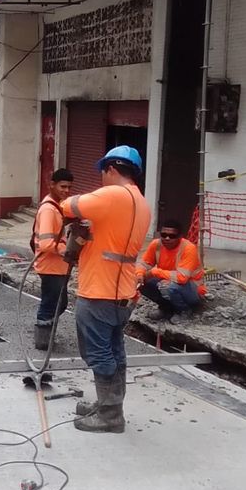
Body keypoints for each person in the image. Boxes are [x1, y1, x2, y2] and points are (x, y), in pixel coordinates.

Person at [61, 146, 151, 434]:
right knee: (114, 351)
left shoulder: (112, 195)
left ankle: (110, 415)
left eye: (103, 171)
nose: (101, 177)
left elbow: (68, 206)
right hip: (122, 292)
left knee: (99, 353)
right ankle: (109, 405)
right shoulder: (141, 201)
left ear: (111, 169)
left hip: (99, 291)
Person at [31, 168, 74, 350]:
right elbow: (46, 243)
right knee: (51, 303)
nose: (66, 191)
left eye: (69, 187)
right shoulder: (49, 209)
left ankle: (47, 334)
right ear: (52, 185)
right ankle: (43, 340)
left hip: (58, 266)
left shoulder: (57, 206)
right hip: (50, 266)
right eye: (62, 186)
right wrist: (68, 251)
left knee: (60, 303)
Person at [138, 219, 205, 324]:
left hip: (193, 290)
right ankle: (166, 309)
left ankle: (184, 310)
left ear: (180, 236)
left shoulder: (188, 249)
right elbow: (143, 264)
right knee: (142, 283)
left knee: (169, 286)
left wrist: (155, 272)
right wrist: (139, 274)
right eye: (164, 235)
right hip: (169, 282)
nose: (167, 238)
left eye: (172, 236)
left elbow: (182, 278)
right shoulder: (156, 244)